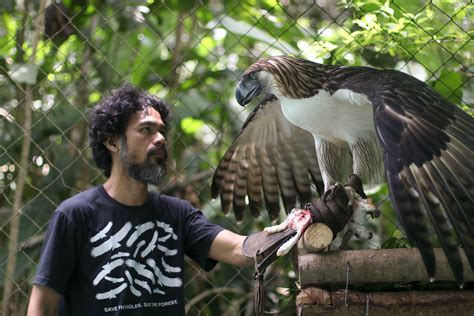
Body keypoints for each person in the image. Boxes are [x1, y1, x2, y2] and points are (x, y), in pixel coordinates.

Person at [27, 85, 252, 315]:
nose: (160, 139)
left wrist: (288, 232)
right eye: (146, 130)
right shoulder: (75, 215)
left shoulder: (177, 213)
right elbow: (41, 308)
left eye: (162, 131)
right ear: (112, 142)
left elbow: (238, 249)